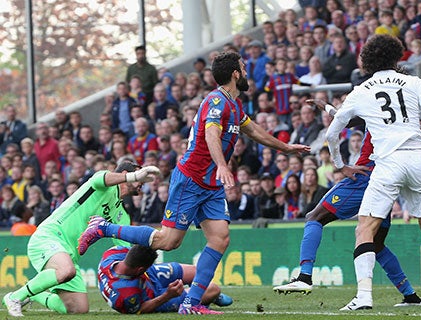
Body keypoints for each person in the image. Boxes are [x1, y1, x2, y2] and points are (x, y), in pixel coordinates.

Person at [78, 52, 310, 315]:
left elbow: (253, 130)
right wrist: (222, 164)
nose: (246, 73)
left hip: (210, 186)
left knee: (220, 239)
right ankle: (103, 228)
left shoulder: (234, 105)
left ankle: (192, 303)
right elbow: (212, 133)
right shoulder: (216, 100)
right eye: (243, 69)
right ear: (235, 73)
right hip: (190, 180)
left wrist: (285, 147)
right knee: (168, 241)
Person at [324, 35, 421, 310]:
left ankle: (364, 296)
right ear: (397, 57)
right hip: (419, 159)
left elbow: (332, 132)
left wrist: (339, 164)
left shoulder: (361, 91)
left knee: (365, 229)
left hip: (388, 164)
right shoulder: (413, 82)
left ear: (367, 61)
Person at [274, 100, 421, 307]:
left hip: (363, 178)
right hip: (386, 184)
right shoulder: (406, 125)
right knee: (376, 243)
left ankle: (304, 276)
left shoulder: (374, 112)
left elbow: (343, 121)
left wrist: (341, 166)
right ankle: (410, 295)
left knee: (315, 217)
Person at [1, 161, 159, 316]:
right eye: (140, 176)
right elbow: (101, 178)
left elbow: (125, 251)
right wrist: (134, 176)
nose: (142, 181)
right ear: (125, 174)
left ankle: (33, 292)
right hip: (50, 235)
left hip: (70, 255)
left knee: (77, 308)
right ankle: (15, 297)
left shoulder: (121, 215)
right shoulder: (103, 185)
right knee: (65, 270)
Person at [98, 245, 232, 314]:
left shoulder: (113, 253)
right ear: (140, 269)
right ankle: (209, 298)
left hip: (151, 275)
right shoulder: (125, 294)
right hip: (154, 298)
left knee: (199, 272)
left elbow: (137, 252)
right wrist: (168, 295)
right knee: (213, 289)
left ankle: (197, 294)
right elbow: (141, 309)